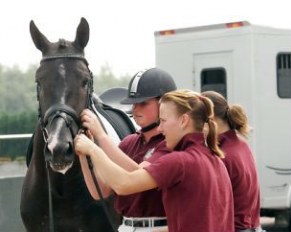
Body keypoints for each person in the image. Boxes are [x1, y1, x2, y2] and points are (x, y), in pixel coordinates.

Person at [74, 89, 235, 232]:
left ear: (184, 121)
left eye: (163, 121)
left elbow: (123, 183)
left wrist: (94, 149)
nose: (160, 128)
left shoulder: (180, 161)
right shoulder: (217, 161)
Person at [78, 68, 177, 231]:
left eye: (144, 103)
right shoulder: (128, 142)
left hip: (158, 226)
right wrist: (84, 154)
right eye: (134, 103)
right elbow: (100, 192)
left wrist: (101, 137)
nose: (135, 109)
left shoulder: (169, 143)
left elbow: (137, 175)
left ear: (165, 103)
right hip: (125, 226)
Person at [202, 91, 263, 232]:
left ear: (211, 119)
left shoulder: (222, 156)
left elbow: (213, 208)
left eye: (197, 120)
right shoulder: (241, 145)